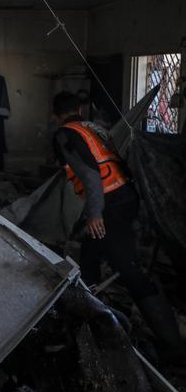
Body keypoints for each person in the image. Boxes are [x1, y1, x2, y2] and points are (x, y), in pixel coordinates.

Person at [52, 91, 183, 361]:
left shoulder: (65, 134)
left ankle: (174, 346)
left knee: (128, 268)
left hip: (110, 205)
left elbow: (90, 176)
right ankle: (91, 327)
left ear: (56, 116)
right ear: (79, 108)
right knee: (89, 260)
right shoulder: (93, 128)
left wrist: (95, 213)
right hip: (125, 198)